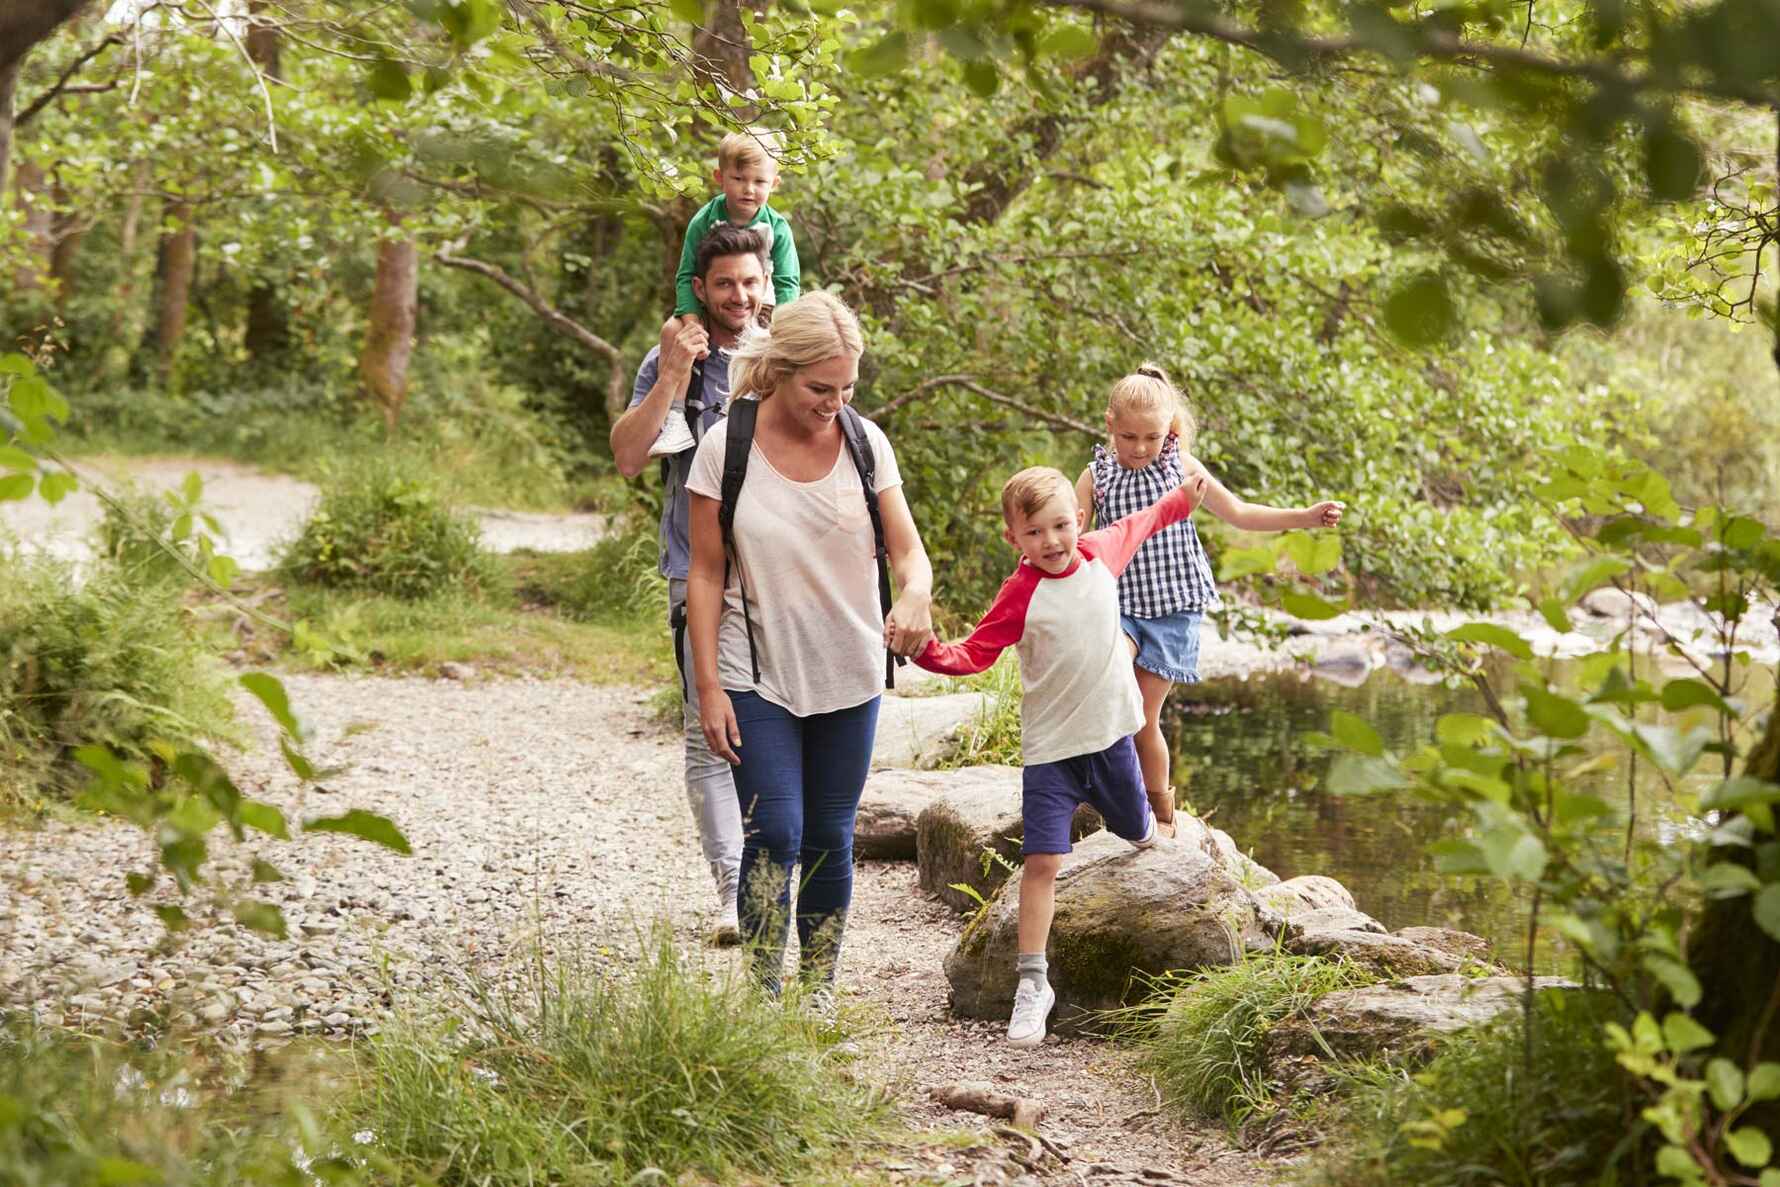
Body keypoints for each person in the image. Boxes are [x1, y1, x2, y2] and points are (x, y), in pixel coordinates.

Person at [685, 291, 934, 999]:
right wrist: (708, 686)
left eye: (847, 387)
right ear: (779, 371)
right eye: (819, 387)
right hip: (754, 673)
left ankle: (817, 989)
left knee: (829, 833)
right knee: (776, 833)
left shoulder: (864, 443)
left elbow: (910, 553)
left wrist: (914, 593)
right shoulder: (725, 448)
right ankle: (765, 999)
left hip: (849, 670)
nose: (834, 401)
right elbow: (705, 575)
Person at [913, 465, 1207, 1047]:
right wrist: (922, 650)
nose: (1051, 541)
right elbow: (974, 653)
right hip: (1051, 753)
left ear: (1078, 520)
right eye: (1034, 533)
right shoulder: (1020, 594)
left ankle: (1150, 822)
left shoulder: (1101, 553)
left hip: (1113, 741)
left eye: (1059, 526)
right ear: (1013, 539)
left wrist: (1181, 499)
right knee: (1043, 863)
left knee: (1135, 834)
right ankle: (1032, 982)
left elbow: (1144, 521)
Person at [1073, 364, 1344, 834]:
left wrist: (1305, 517)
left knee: (1142, 715)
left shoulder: (1182, 468)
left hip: (1173, 610)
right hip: (1119, 607)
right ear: (1109, 424)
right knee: (1111, 695)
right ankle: (1104, 793)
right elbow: (1071, 539)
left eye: (1151, 437)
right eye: (1129, 436)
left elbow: (1238, 513)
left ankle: (1161, 812)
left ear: (1170, 430)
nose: (1140, 448)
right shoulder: (1096, 476)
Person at [610, 223, 775, 944]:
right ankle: (734, 890)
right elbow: (626, 457)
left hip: (780, 573)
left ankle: (779, 872)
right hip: (694, 570)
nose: (739, 296)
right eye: (725, 284)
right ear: (701, 290)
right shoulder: (670, 358)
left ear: (766, 285)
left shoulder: (784, 357)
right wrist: (674, 375)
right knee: (707, 736)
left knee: (776, 727)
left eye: (750, 282)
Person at [674, 130, 800, 327]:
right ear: (720, 178)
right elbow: (687, 275)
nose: (749, 189)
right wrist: (692, 321)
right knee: (672, 330)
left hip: (762, 307)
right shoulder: (703, 222)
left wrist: (783, 326)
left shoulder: (777, 228)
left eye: (759, 181)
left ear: (773, 184)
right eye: (738, 179)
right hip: (712, 306)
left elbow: (788, 284)